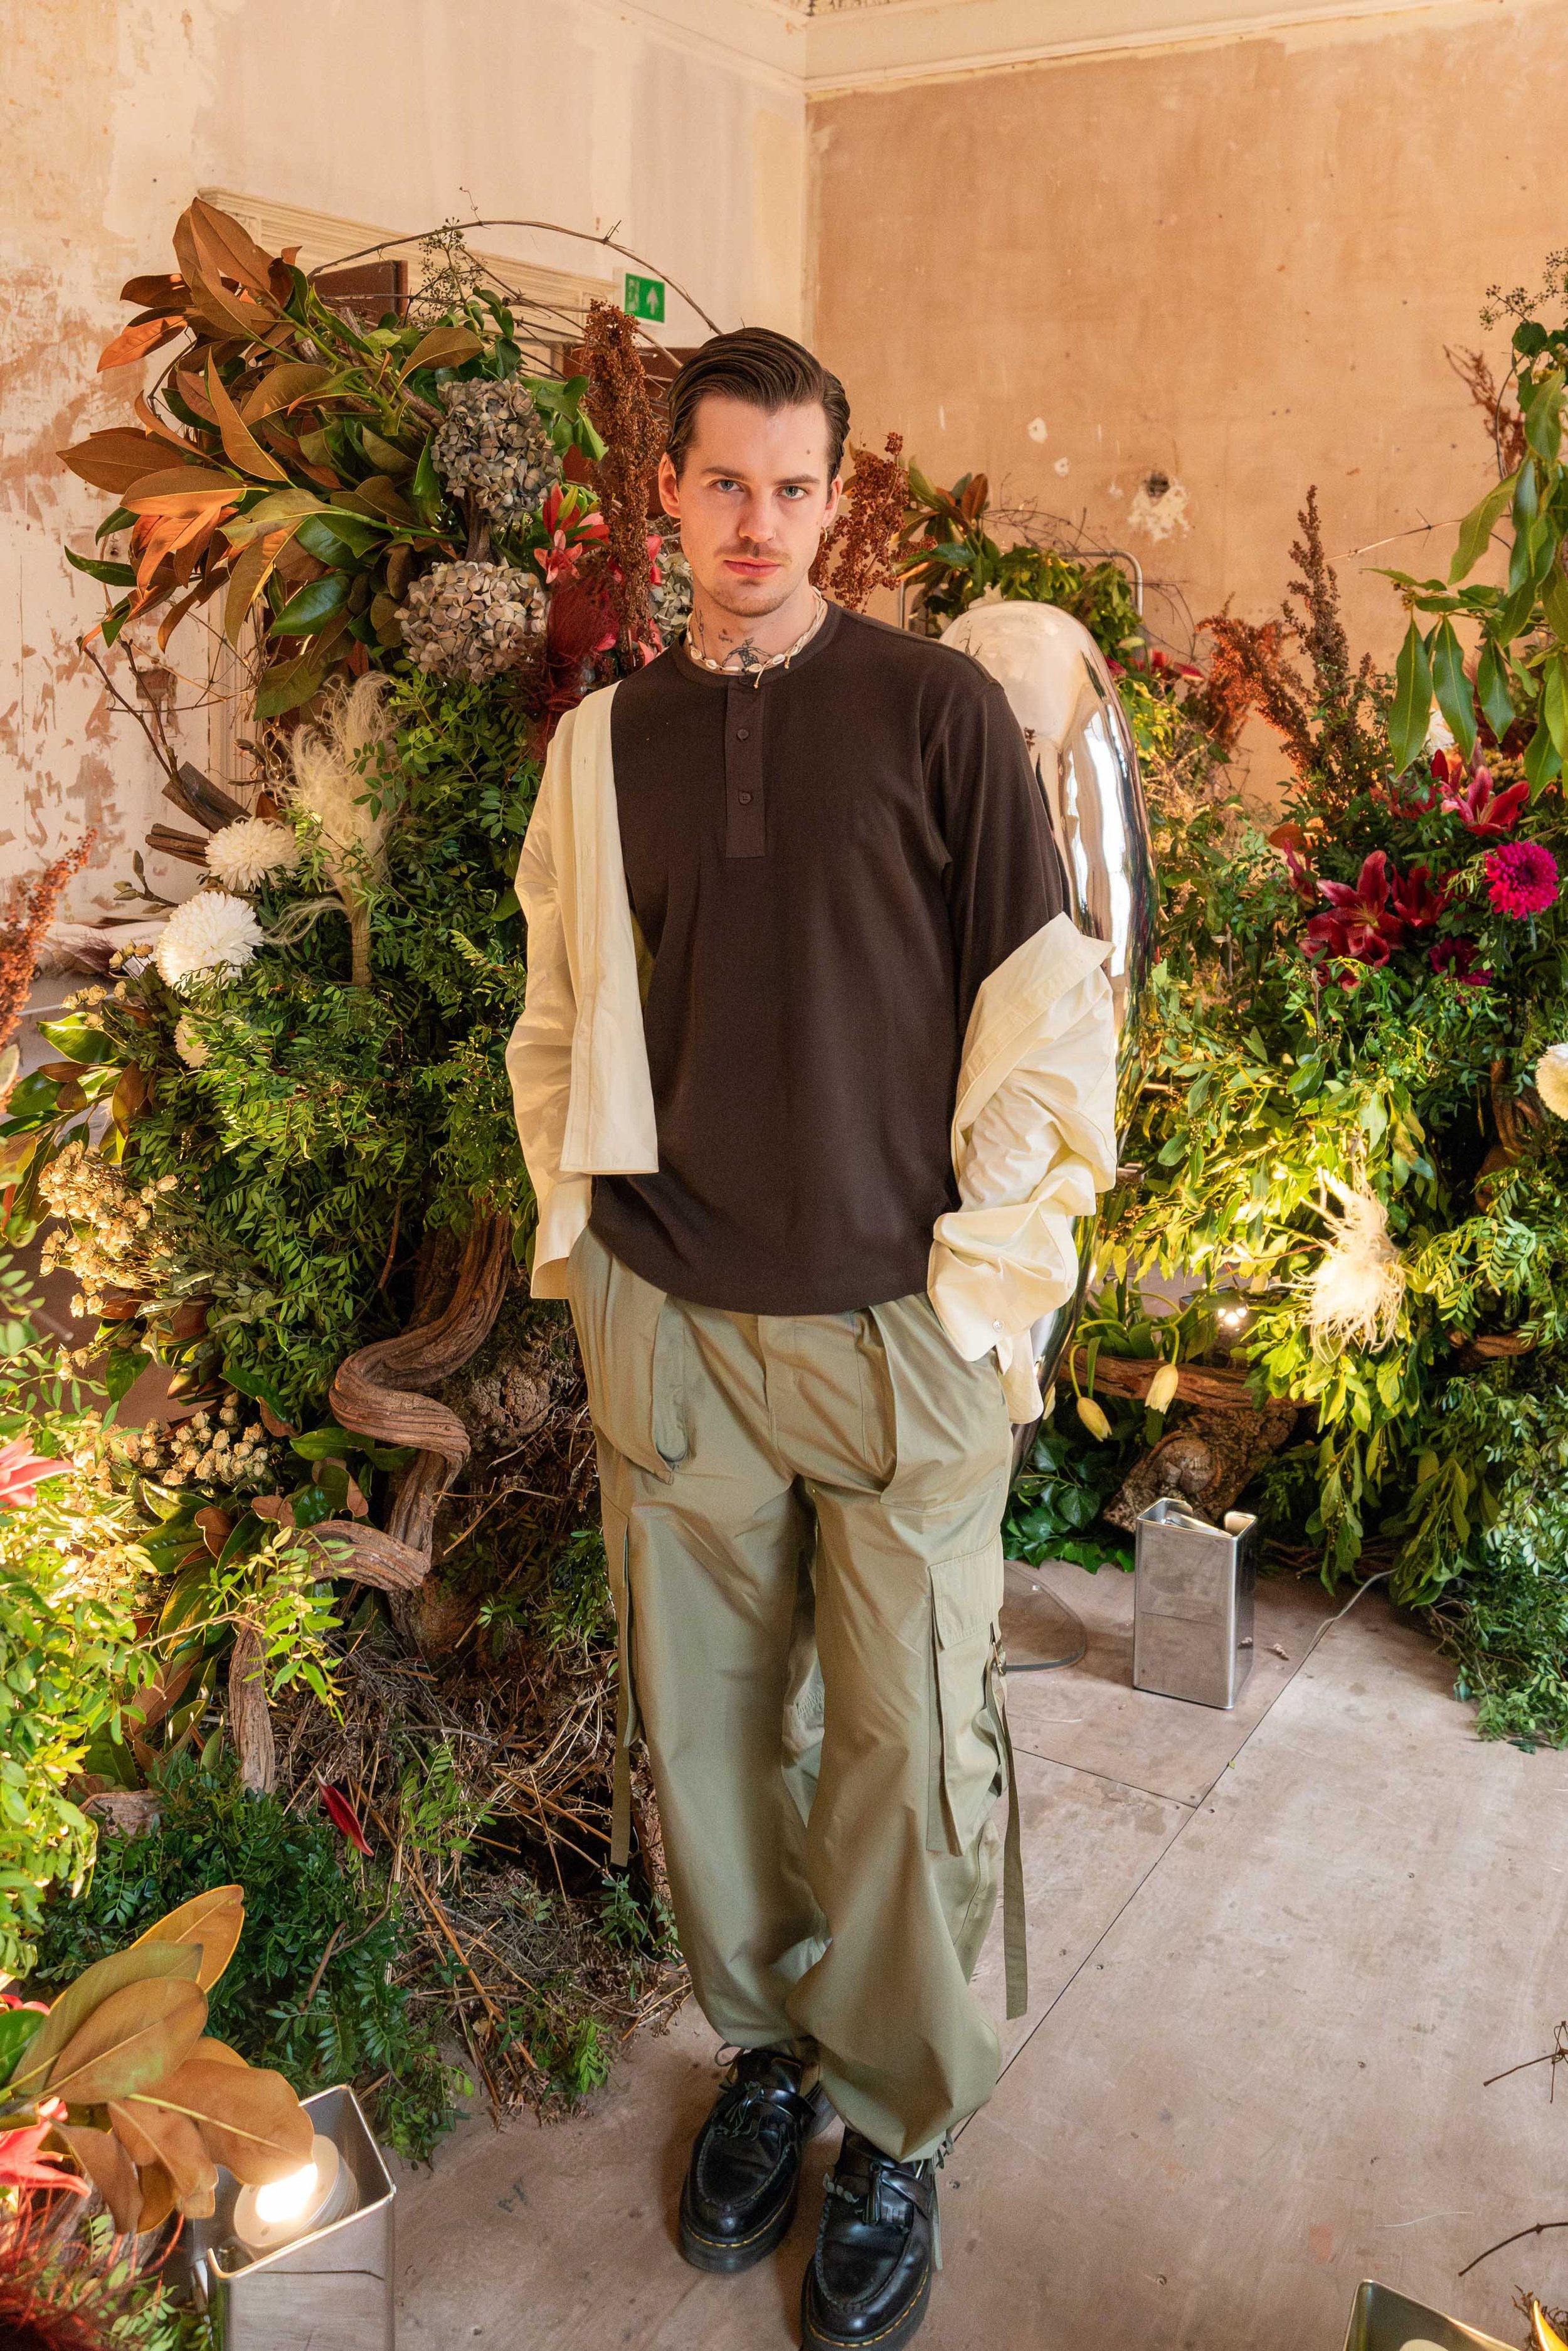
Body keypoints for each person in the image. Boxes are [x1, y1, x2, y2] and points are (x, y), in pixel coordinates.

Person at [506, 327, 1117, 2350]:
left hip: (892, 1336)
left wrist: (982, 1299)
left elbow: (1043, 1024)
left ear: (831, 500)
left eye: (790, 487)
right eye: (720, 484)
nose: (753, 522)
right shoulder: (605, 746)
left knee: (906, 1745)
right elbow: (558, 1016)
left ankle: (895, 2116)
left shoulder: (936, 711)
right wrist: (584, 1246)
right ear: (664, 497)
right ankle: (765, 2053)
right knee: (708, 1739)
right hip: (670, 1318)